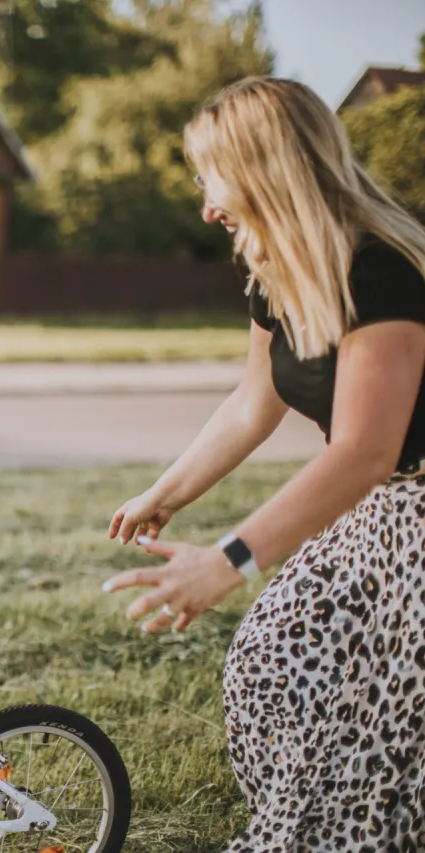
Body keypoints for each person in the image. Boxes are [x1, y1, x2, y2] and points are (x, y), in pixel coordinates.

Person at [103, 76, 425, 851]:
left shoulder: (382, 270)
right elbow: (256, 400)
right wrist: (166, 490)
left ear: (263, 170)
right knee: (271, 658)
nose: (208, 207)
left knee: (369, 743)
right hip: (380, 514)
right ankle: (302, 824)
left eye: (213, 179)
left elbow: (364, 451)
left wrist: (229, 558)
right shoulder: (279, 272)